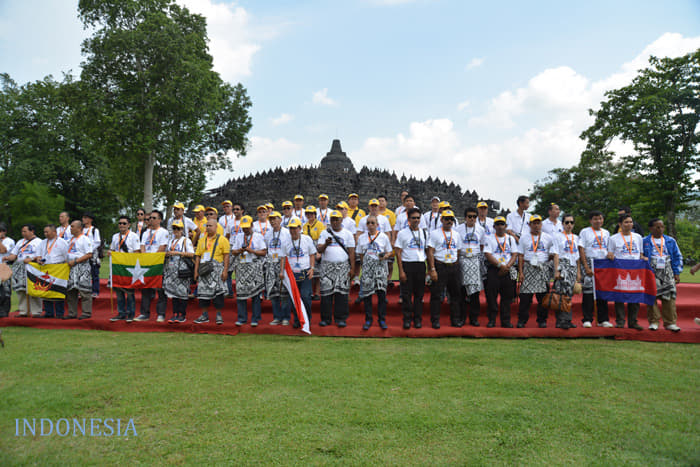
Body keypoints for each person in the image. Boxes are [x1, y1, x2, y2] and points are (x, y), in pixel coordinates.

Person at [517, 214, 558, 328]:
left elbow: (553, 253)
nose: (536, 225)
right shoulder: (524, 238)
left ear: (541, 224)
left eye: (538, 223)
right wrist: (520, 272)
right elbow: (520, 256)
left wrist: (544, 262)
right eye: (534, 223)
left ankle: (542, 320)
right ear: (529, 225)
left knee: (543, 297)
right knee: (525, 297)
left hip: (542, 269)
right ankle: (522, 320)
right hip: (528, 268)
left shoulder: (548, 238)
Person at [606, 213, 646, 330]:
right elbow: (610, 253)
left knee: (635, 297)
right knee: (620, 297)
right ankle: (620, 321)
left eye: (631, 222)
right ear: (620, 224)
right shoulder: (613, 238)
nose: (629, 224)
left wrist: (643, 258)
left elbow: (641, 254)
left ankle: (633, 321)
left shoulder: (638, 237)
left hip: (635, 271)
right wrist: (610, 256)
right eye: (626, 222)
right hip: (620, 271)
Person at [317, 211, 355, 327]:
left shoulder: (348, 234)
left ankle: (340, 318)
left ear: (341, 220)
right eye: (332, 219)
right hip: (327, 266)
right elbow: (319, 250)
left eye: (337, 219)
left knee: (341, 293)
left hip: (342, 266)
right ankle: (326, 318)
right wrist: (326, 244)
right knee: (326, 294)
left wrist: (352, 268)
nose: (334, 222)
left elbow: (351, 252)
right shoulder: (324, 233)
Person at [643, 218, 683, 332]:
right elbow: (640, 255)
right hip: (651, 270)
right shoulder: (645, 241)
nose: (661, 229)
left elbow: (677, 256)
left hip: (667, 270)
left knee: (669, 296)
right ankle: (653, 321)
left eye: (662, 227)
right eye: (657, 227)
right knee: (651, 296)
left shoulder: (670, 241)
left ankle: (670, 322)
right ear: (651, 228)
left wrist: (677, 272)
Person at [427, 209, 464, 328]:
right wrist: (432, 269)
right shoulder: (435, 233)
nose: (449, 221)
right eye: (447, 219)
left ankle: (455, 320)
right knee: (436, 295)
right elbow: (430, 252)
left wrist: (455, 264)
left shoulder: (456, 234)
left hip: (453, 266)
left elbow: (458, 251)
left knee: (455, 295)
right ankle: (435, 320)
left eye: (451, 219)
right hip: (440, 265)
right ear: (442, 220)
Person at [356, 215, 393, 330]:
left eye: (373, 223)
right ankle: (368, 319)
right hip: (368, 269)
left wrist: (385, 256)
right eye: (368, 223)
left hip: (380, 269)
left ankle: (382, 319)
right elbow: (360, 253)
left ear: (377, 225)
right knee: (367, 295)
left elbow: (390, 252)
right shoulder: (362, 237)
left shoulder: (383, 237)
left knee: (381, 295)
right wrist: (366, 263)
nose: (370, 225)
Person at [578, 210, 613, 328]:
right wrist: (586, 266)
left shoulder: (606, 233)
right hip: (590, 262)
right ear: (590, 221)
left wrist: (610, 254)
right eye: (595, 219)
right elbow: (581, 248)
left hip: (603, 264)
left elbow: (609, 248)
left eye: (600, 218)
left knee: (602, 292)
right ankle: (587, 319)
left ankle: (603, 319)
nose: (598, 221)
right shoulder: (585, 232)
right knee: (588, 292)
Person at [394, 207, 428, 329]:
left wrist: (429, 269)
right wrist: (401, 271)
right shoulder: (403, 233)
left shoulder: (424, 233)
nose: (416, 220)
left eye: (418, 218)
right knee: (407, 295)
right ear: (408, 219)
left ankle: (417, 319)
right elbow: (398, 252)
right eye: (413, 218)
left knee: (419, 295)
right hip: (407, 265)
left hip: (420, 265)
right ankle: (407, 319)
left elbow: (427, 251)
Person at [280, 218, 316, 328]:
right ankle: (297, 319)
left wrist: (312, 268)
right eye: (291, 228)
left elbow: (312, 254)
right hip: (292, 274)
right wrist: (282, 271)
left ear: (300, 228)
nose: (293, 231)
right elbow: (283, 257)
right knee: (294, 298)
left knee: (305, 296)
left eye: (295, 228)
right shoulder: (285, 241)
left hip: (305, 272)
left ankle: (307, 319)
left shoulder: (307, 239)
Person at [193, 218, 231, 325]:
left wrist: (225, 271)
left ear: (216, 227)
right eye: (207, 226)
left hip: (216, 270)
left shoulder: (223, 240)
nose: (208, 228)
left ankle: (218, 315)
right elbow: (198, 257)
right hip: (204, 270)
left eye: (210, 226)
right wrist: (196, 271)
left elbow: (226, 256)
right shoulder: (202, 240)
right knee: (202, 294)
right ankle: (204, 315)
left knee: (218, 293)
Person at [230, 215, 266, 326]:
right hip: (242, 267)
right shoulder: (239, 237)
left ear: (252, 225)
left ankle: (255, 318)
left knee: (255, 294)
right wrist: (240, 250)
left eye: (247, 227)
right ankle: (242, 318)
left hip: (254, 266)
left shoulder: (258, 236)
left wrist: (252, 251)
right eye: (243, 227)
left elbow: (264, 252)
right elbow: (233, 252)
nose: (245, 230)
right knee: (241, 294)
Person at [483, 216, 518, 328]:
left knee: (507, 298)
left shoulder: (510, 239)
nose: (500, 226)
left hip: (507, 269)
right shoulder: (490, 238)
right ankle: (492, 320)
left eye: (502, 224)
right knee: (491, 297)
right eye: (497, 224)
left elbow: (514, 254)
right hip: (494, 269)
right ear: (494, 227)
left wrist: (507, 266)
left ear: (505, 226)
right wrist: (499, 265)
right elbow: (487, 254)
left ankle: (505, 320)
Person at [135, 210, 169, 322]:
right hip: (146, 264)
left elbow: (162, 247)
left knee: (160, 290)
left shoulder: (163, 232)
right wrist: (145, 258)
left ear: (160, 220)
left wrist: (153, 260)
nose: (151, 220)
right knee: (146, 289)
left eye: (154, 218)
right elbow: (142, 246)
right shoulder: (145, 233)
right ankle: (144, 314)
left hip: (158, 264)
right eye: (150, 218)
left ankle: (161, 314)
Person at [456, 207, 486, 327]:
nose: (472, 219)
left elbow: (482, 246)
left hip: (474, 261)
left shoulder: (480, 230)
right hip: (462, 261)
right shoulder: (458, 229)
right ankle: (462, 318)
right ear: (465, 218)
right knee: (462, 292)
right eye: (470, 216)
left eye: (474, 216)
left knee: (475, 293)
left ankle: (474, 318)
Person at [108, 216, 141, 322]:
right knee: (118, 291)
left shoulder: (133, 236)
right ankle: (121, 312)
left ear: (129, 225)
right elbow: (112, 249)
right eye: (120, 223)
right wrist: (110, 252)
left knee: (129, 292)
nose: (121, 225)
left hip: (128, 266)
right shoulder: (114, 236)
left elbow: (136, 252)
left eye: (124, 223)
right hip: (118, 267)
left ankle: (131, 313)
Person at [3, 224, 42, 317]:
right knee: (20, 289)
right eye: (22, 231)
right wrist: (8, 258)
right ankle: (23, 311)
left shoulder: (39, 242)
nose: (23, 233)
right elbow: (14, 255)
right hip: (20, 268)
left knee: (33, 289)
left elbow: (41, 255)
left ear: (32, 231)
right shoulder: (20, 242)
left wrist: (32, 259)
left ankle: (36, 312)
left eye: (25, 231)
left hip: (33, 268)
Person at [32, 224, 69, 319]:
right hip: (46, 268)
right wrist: (38, 260)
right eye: (44, 232)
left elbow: (66, 257)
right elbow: (38, 255)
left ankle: (59, 312)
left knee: (58, 290)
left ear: (54, 232)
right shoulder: (43, 242)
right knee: (46, 289)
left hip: (58, 269)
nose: (45, 234)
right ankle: (49, 312)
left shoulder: (62, 242)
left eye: (47, 232)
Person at [550, 214, 580, 329]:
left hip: (572, 267)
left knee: (569, 296)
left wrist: (578, 272)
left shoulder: (576, 238)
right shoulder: (558, 237)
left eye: (571, 222)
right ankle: (561, 320)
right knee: (561, 295)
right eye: (567, 222)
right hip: (562, 266)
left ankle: (567, 319)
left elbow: (577, 257)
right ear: (562, 224)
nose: (569, 225)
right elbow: (556, 254)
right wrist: (557, 270)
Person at [163, 220, 195, 324]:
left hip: (182, 270)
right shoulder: (170, 241)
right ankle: (175, 313)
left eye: (178, 228)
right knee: (174, 293)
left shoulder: (186, 240)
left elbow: (192, 254)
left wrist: (177, 253)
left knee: (183, 293)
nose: (176, 230)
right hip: (171, 270)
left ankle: (182, 314)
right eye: (174, 228)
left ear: (182, 230)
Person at [264, 211, 291, 325]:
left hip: (282, 263)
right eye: (271, 219)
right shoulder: (268, 234)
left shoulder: (286, 232)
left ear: (280, 220)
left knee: (284, 293)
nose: (273, 221)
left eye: (275, 219)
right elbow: (266, 249)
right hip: (271, 264)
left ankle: (285, 317)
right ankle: (276, 316)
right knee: (273, 292)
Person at [64, 220, 94, 320]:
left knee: (84, 290)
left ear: (79, 228)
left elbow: (89, 254)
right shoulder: (70, 240)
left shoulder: (85, 239)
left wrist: (76, 261)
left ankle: (86, 312)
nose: (70, 228)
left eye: (72, 226)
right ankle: (72, 312)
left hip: (82, 267)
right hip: (71, 268)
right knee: (71, 291)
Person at [303, 206, 324, 299]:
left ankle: (317, 293)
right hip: (307, 247)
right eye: (308, 213)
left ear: (315, 214)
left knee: (318, 273)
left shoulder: (319, 224)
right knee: (309, 271)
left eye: (311, 213)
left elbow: (321, 238)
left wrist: (319, 253)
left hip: (316, 245)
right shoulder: (304, 225)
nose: (310, 215)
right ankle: (310, 292)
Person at [82, 212, 102, 298]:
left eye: (86, 218)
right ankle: (83, 290)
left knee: (94, 273)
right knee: (83, 273)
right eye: (83, 218)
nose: (84, 220)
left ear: (90, 219)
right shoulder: (81, 229)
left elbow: (97, 242)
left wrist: (89, 250)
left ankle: (95, 291)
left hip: (92, 254)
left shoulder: (94, 230)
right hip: (82, 253)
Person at [0, 224, 15, 318]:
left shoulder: (9, 241)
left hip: (4, 266)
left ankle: (4, 311)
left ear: (4, 232)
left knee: (5, 291)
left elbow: (3, 250)